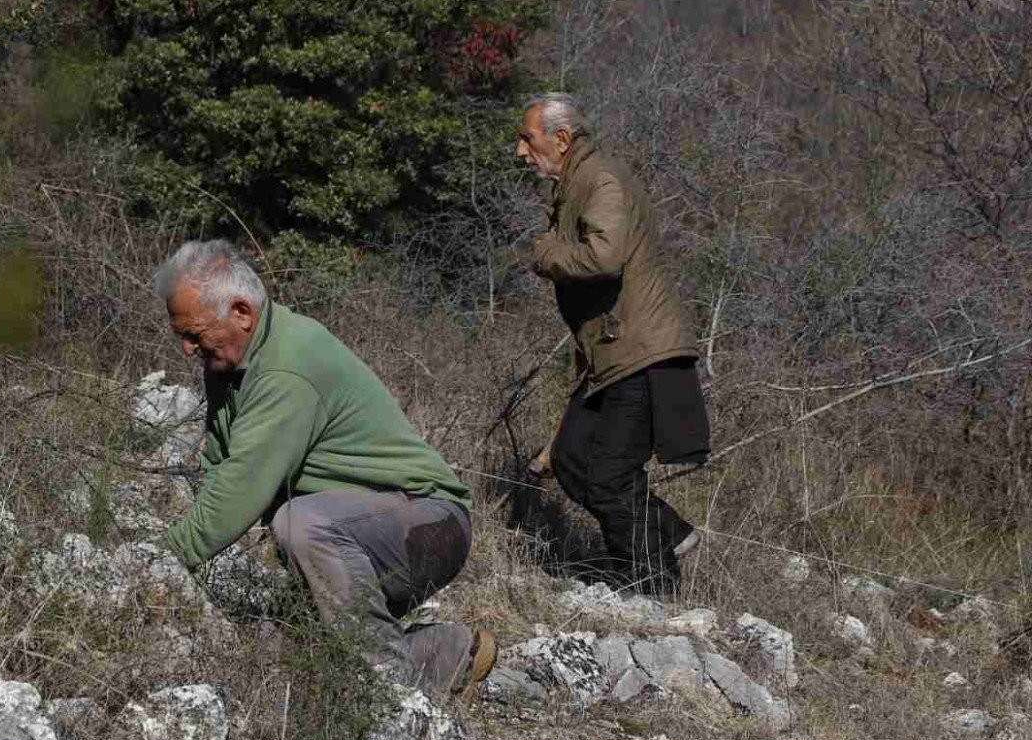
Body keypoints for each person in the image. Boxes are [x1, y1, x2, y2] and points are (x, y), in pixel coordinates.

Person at [153, 240, 496, 699]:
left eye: (194, 334)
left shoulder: (285, 369)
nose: (186, 348)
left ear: (241, 312)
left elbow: (240, 487)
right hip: (368, 525)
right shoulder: (232, 363)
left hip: (430, 524)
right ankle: (451, 651)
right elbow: (219, 465)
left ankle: (387, 689)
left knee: (299, 523)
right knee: (284, 653)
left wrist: (159, 562)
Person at [518, 94, 709, 594]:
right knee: (571, 460)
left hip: (640, 356)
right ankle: (669, 532)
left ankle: (651, 585)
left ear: (560, 140)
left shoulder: (600, 180)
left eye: (528, 139)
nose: (521, 151)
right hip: (612, 357)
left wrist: (545, 254)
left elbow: (603, 256)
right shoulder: (574, 185)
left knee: (607, 476)